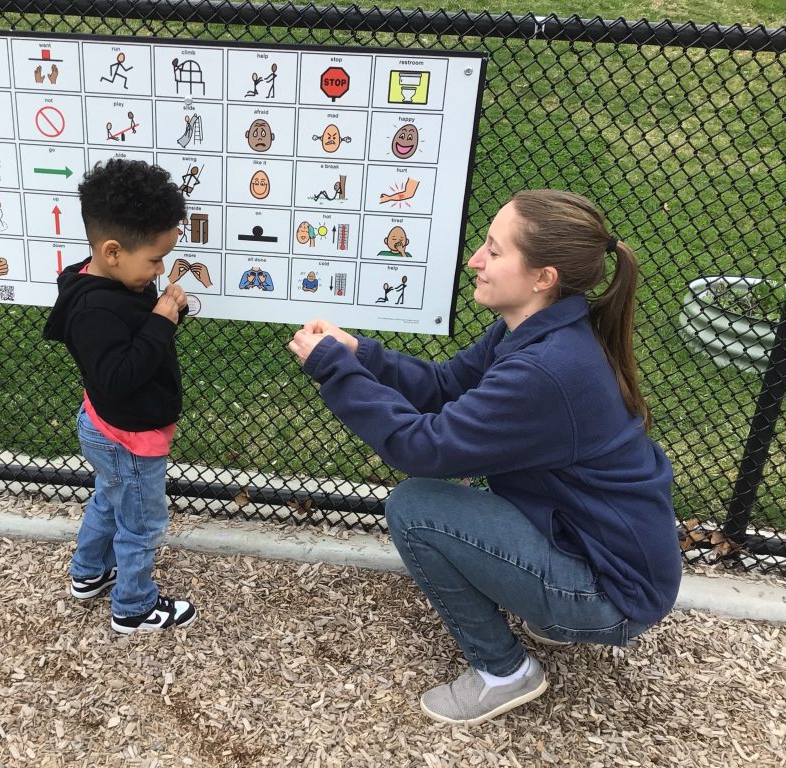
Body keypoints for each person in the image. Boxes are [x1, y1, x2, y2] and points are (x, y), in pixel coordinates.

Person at [287, 190, 681, 725]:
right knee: (445, 502)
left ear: (543, 277)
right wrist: (361, 353)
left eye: (494, 251)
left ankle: (505, 672)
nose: (476, 259)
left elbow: (424, 449)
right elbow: (447, 386)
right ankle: (553, 606)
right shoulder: (543, 326)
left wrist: (334, 368)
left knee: (416, 507)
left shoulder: (545, 370)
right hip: (608, 553)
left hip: (615, 593)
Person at [43, 158, 197, 634]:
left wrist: (163, 315)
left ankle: (89, 574)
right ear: (112, 251)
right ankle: (133, 606)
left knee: (109, 501)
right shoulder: (94, 310)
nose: (161, 269)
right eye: (154, 260)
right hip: (129, 438)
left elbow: (136, 337)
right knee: (142, 524)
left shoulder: (103, 282)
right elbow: (119, 375)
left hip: (107, 429)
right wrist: (161, 321)